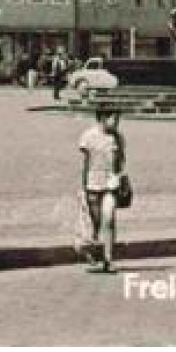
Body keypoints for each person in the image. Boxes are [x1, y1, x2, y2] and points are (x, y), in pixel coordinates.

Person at [77, 105, 126, 273]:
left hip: (110, 184)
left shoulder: (118, 138)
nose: (117, 122)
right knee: (95, 223)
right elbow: (83, 164)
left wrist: (122, 180)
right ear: (104, 118)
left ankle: (109, 259)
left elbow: (121, 161)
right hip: (92, 184)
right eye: (114, 118)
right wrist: (82, 187)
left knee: (109, 219)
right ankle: (93, 254)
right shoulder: (88, 137)